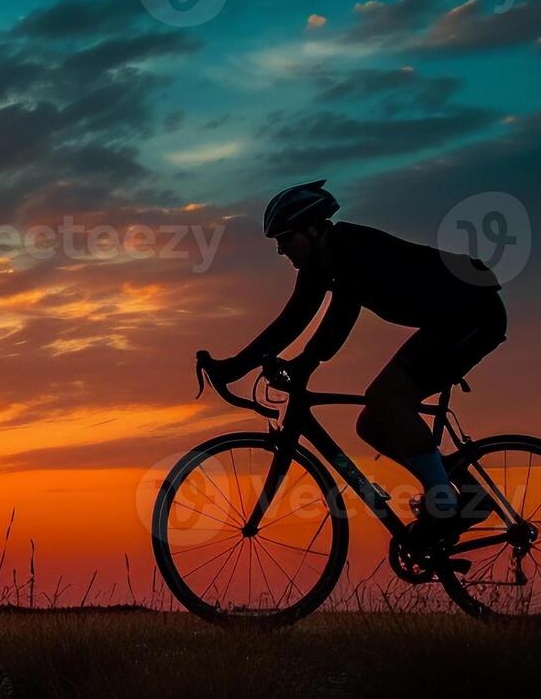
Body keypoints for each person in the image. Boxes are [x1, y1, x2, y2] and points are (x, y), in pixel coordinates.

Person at [202, 180, 507, 552]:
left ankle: (444, 507)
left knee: (385, 396)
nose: (281, 250)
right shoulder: (320, 264)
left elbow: (342, 313)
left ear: (313, 229)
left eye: (285, 239)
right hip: (449, 320)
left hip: (472, 315)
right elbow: (291, 321)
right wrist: (232, 367)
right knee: (372, 424)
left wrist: (306, 363)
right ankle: (464, 496)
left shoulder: (350, 247)